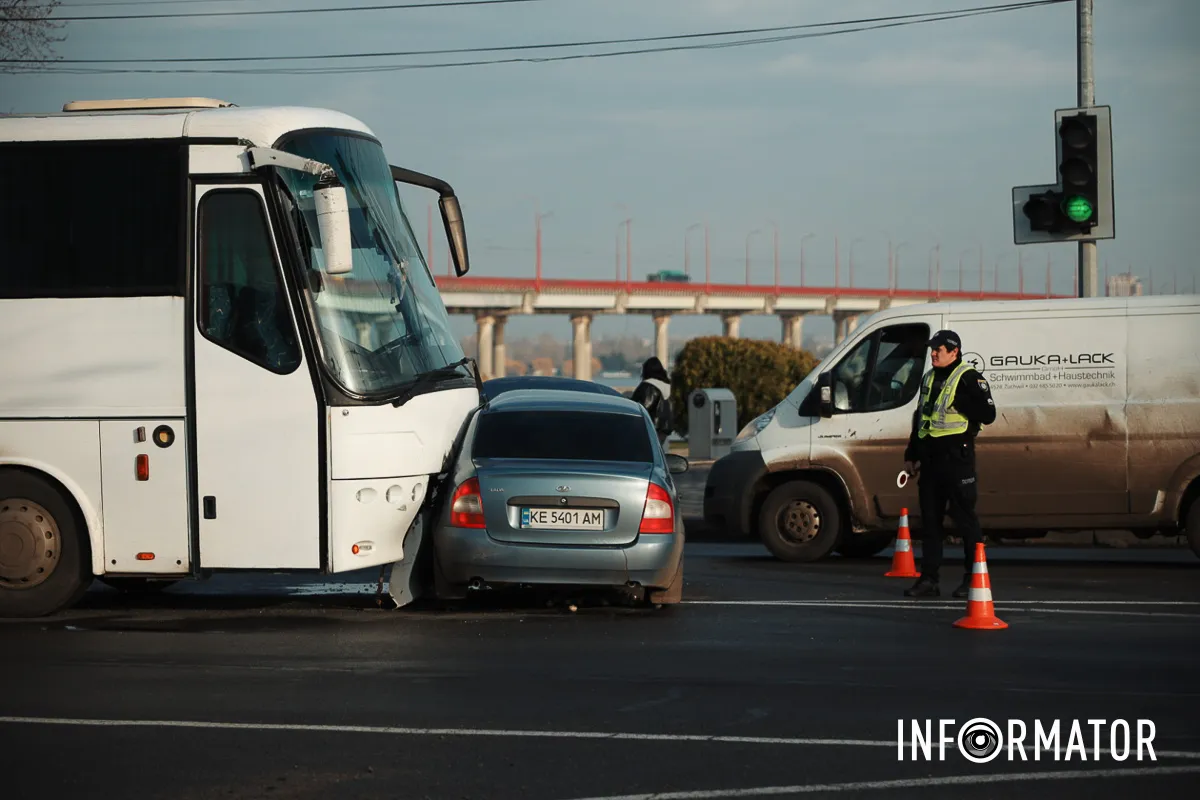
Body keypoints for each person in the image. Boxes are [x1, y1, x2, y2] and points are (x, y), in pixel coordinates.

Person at [902, 330, 997, 599]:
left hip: (957, 460)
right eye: (932, 349)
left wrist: (962, 402)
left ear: (954, 352)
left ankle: (972, 578)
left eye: (939, 349)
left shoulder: (968, 377)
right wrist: (911, 455)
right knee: (930, 523)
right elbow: (922, 418)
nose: (933, 353)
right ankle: (929, 580)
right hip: (931, 461)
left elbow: (988, 414)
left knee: (966, 520)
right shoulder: (929, 377)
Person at [631, 356, 674, 448]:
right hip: (663, 429)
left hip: (650, 429)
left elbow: (641, 407)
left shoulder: (648, 386)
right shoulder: (667, 386)